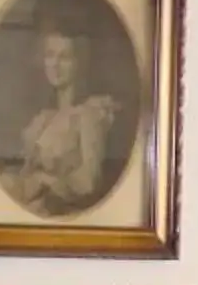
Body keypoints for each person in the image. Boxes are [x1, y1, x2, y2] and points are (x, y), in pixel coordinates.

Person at [12, 11, 121, 215]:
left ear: (79, 62)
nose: (55, 64)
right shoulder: (44, 118)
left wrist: (46, 181)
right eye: (50, 55)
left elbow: (89, 181)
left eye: (65, 57)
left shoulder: (89, 114)